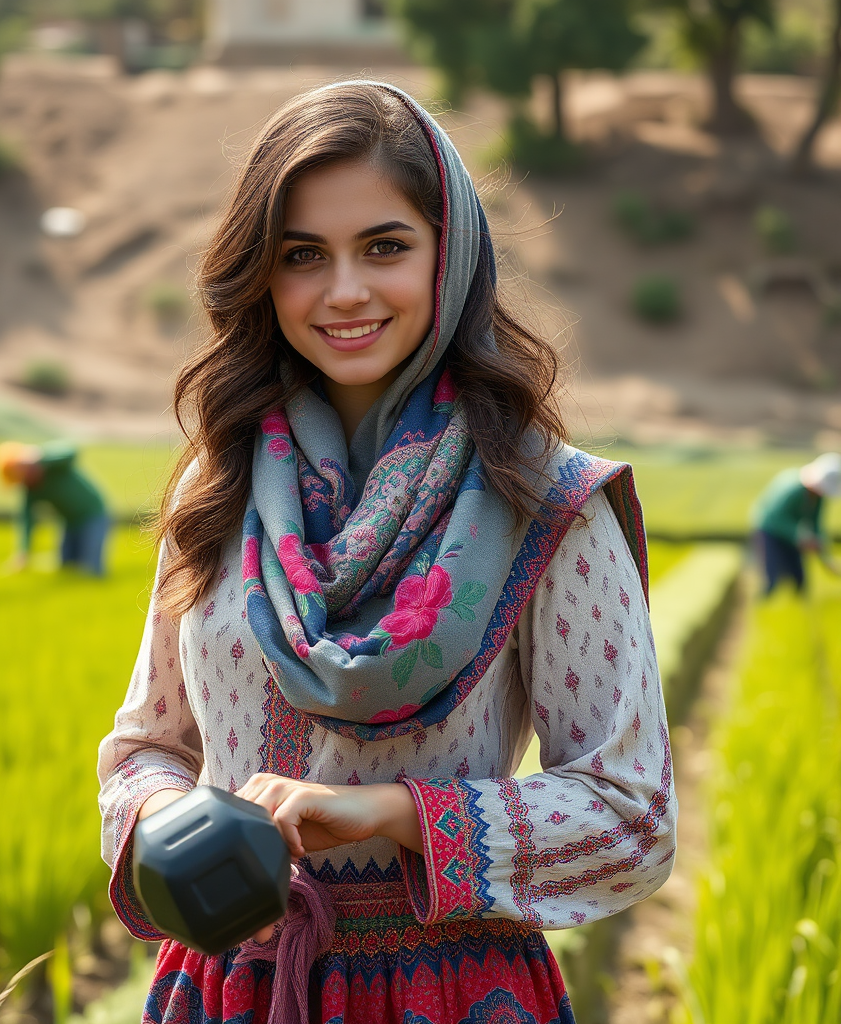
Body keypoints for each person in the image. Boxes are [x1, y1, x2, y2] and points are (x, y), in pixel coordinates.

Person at [98, 82, 677, 1024]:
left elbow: (631, 817)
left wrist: (395, 814)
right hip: (224, 989)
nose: (345, 291)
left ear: (451, 260)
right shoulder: (223, 487)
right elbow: (144, 749)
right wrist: (170, 819)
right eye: (302, 256)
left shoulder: (547, 502)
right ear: (262, 274)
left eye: (385, 246)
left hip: (447, 993)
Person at [0, 440, 109, 576]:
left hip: (93, 515)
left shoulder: (51, 464)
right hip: (69, 521)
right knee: (66, 568)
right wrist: (24, 552)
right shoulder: (31, 490)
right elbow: (27, 521)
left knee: (91, 568)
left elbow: (71, 452)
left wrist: (40, 459)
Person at [751, 451, 841, 594]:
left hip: (791, 534)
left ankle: (797, 605)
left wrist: (826, 558)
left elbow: (816, 525)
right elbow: (775, 518)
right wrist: (801, 536)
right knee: (772, 577)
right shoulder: (793, 489)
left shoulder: (818, 497)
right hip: (769, 530)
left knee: (799, 578)